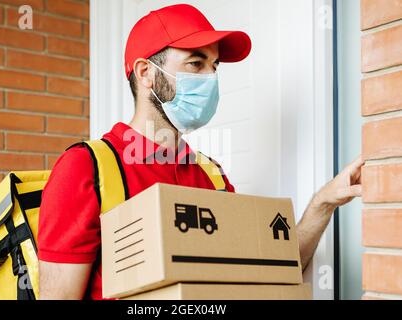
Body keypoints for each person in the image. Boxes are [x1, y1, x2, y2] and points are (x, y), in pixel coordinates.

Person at [38, 4, 364, 300]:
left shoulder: (211, 175)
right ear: (146, 72)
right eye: (196, 63)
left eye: (214, 65)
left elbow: (272, 270)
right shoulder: (86, 168)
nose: (211, 77)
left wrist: (324, 202)